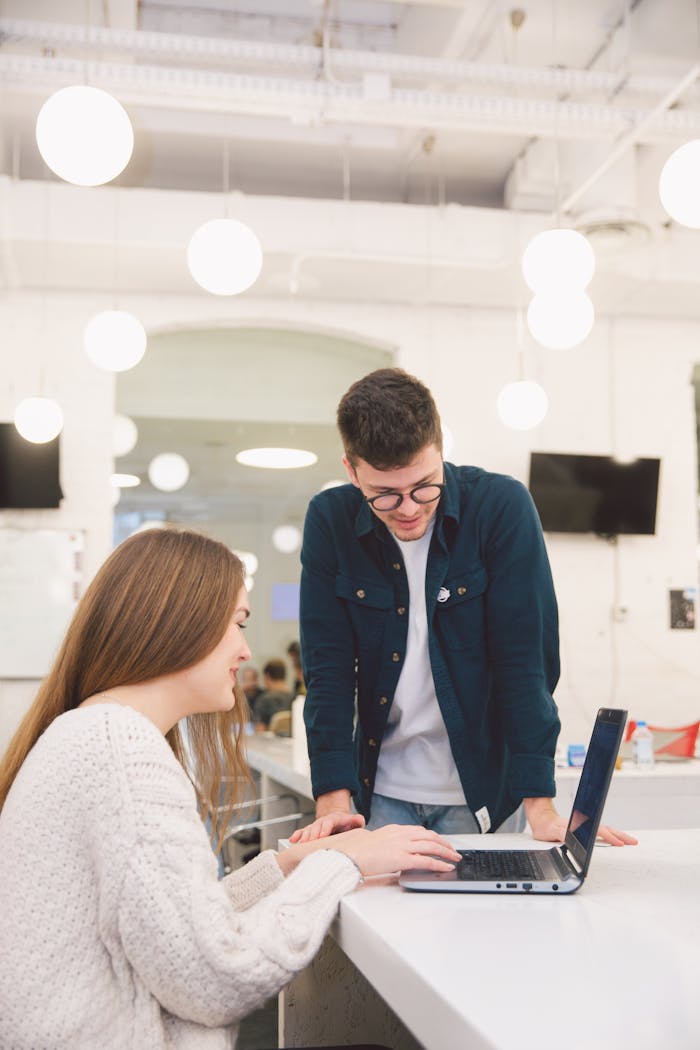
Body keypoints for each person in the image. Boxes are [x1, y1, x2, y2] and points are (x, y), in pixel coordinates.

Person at [0, 526, 461, 1049]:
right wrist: (345, 864)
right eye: (237, 624)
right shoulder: (123, 754)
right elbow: (216, 979)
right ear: (179, 624)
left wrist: (293, 865)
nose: (245, 650)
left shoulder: (94, 733)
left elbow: (175, 925)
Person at [291, 368, 637, 849]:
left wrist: (540, 804)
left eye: (424, 485)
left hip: (479, 794)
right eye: (384, 495)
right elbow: (327, 670)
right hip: (380, 793)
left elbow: (525, 661)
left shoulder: (500, 507)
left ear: (440, 449)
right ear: (351, 471)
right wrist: (332, 803)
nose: (408, 509)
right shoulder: (329, 520)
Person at [253, 657, 293, 732]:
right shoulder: (296, 698)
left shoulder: (264, 700)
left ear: (267, 676)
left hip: (271, 743)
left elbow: (260, 731)